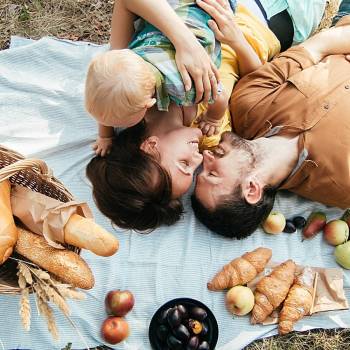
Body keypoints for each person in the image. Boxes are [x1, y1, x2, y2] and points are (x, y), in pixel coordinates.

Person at [86, 1, 281, 231]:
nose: (200, 159)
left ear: (150, 146)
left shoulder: (127, 95)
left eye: (184, 164)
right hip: (263, 21)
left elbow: (125, 3)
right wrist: (236, 39)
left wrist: (185, 42)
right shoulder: (214, 135)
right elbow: (262, 83)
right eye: (194, 170)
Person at [192, 9, 350, 239]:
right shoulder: (342, 187)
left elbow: (318, 46)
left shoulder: (246, 106)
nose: (205, 159)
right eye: (212, 173)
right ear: (252, 189)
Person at [85, 0, 238, 157]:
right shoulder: (125, 59)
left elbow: (220, 96)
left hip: (208, 9)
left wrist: (213, 118)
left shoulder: (184, 86)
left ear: (149, 103)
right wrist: (105, 136)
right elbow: (106, 105)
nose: (115, 127)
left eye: (119, 125)